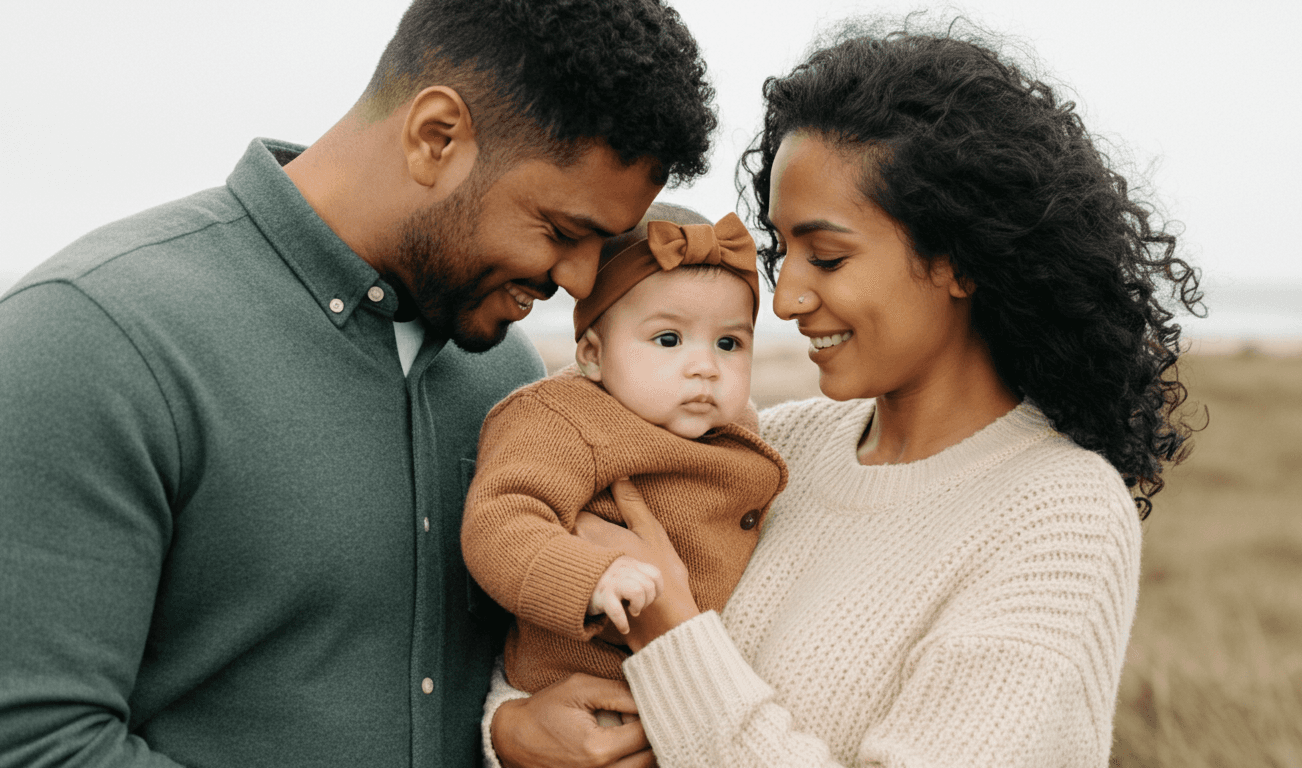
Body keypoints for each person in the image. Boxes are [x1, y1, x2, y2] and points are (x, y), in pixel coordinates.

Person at [0, 1, 715, 766]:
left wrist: (508, 738)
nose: (579, 282)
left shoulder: (508, 378)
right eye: (563, 232)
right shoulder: (92, 337)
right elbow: (38, 745)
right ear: (436, 136)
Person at [486, 23, 1203, 768]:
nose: (787, 297)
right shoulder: (769, 443)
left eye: (826, 257)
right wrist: (510, 730)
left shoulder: (1060, 515)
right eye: (781, 251)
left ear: (959, 259)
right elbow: (539, 637)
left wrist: (669, 635)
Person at [461, 205, 787, 700]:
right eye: (669, 339)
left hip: (692, 692)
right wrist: (591, 577)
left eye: (729, 342)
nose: (705, 366)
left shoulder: (734, 427)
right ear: (592, 354)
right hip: (578, 688)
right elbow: (501, 520)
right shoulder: (562, 418)